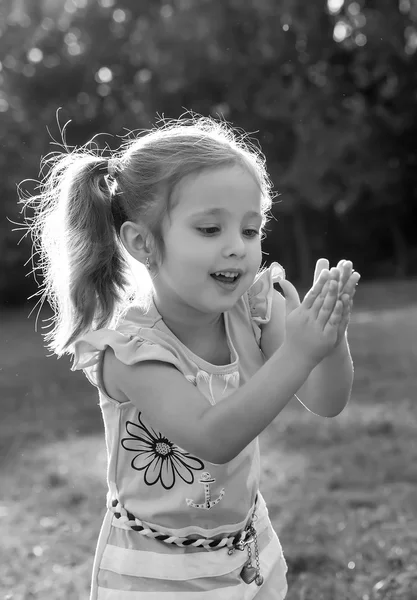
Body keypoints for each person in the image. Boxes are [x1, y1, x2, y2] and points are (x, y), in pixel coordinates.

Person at [23, 116, 360, 599]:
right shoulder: (131, 349)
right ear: (142, 243)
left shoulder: (256, 309)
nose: (236, 248)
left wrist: (328, 340)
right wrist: (299, 353)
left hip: (248, 552)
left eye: (250, 230)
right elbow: (212, 436)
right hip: (156, 572)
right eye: (209, 229)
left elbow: (327, 400)